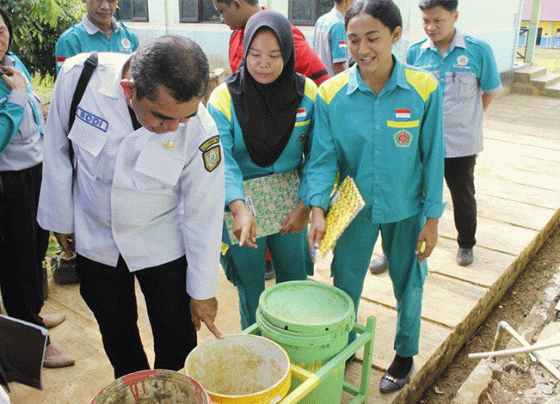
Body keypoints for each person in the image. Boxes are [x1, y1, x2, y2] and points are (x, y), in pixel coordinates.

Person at [37, 35, 225, 378]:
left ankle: (172, 397)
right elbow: (56, 148)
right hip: (97, 235)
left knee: (178, 337)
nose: (174, 128)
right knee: (117, 332)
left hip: (161, 241)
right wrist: (61, 218)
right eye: (163, 118)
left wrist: (202, 292)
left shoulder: (200, 128)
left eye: (184, 118)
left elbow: (205, 213)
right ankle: (134, 390)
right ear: (128, 89)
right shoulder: (80, 78)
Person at [305, 0, 445, 393]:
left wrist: (432, 219)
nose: (362, 49)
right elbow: (322, 159)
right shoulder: (331, 94)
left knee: (409, 281)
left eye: (372, 38)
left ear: (396, 36)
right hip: (354, 211)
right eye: (352, 40)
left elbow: (433, 158)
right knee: (345, 281)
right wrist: (317, 207)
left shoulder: (423, 88)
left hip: (408, 209)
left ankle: (404, 354)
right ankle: (346, 344)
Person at [207, 10, 316, 330]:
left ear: (289, 52)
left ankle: (294, 343)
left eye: (274, 55)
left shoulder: (307, 93)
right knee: (251, 288)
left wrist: (305, 204)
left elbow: (319, 156)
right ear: (244, 54)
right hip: (240, 203)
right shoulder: (223, 99)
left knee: (293, 284)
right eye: (254, 54)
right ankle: (256, 354)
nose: (263, 63)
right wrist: (238, 208)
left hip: (290, 203)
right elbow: (222, 161)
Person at [0, 7, 74, 368]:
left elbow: (36, 117)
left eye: (1, 30)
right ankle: (33, 344)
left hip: (34, 169)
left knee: (33, 250)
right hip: (8, 179)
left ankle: (32, 316)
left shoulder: (14, 62)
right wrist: (15, 99)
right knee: (15, 262)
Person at [406, 0, 502, 267]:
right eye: (425, 20)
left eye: (438, 20)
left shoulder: (478, 51)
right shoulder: (416, 53)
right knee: (413, 193)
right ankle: (404, 244)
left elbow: (490, 90)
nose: (430, 27)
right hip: (423, 144)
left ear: (455, 16)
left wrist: (469, 120)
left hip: (461, 143)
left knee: (462, 194)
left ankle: (466, 244)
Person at [213, 0, 330, 86]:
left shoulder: (284, 36)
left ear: (237, 4)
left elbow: (322, 85)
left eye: (222, 11)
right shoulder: (235, 37)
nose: (221, 18)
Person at [55, 0, 139, 73]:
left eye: (111, 0)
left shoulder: (130, 37)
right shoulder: (70, 40)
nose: (105, 6)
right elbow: (66, 87)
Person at [313, 0, 354, 77]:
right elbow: (339, 64)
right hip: (333, 82)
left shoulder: (321, 20)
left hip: (320, 79)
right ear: (346, 1)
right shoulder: (339, 25)